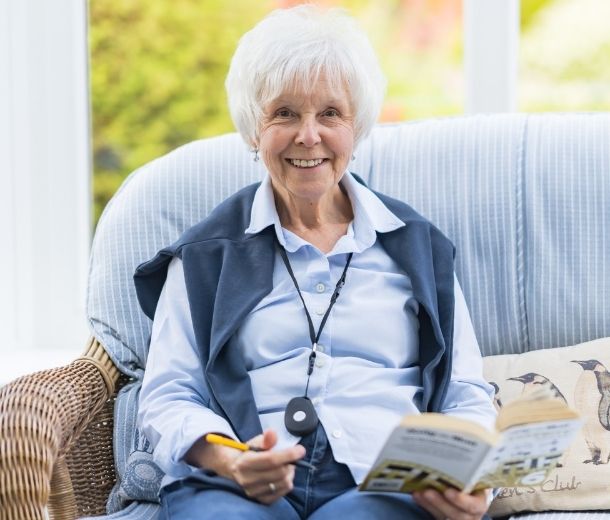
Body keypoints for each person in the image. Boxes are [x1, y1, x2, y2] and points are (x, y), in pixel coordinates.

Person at [134, 5, 496, 519]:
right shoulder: (204, 256)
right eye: (284, 113)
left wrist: (473, 482)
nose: (309, 136)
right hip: (237, 480)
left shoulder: (418, 247)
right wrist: (232, 460)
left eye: (330, 113)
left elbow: (464, 393)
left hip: (384, 482)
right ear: (252, 129)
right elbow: (169, 394)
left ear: (357, 125)